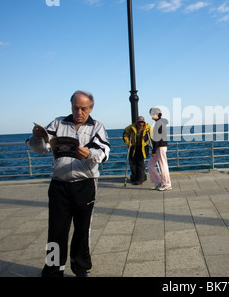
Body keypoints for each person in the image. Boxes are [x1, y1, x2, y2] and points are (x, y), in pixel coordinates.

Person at [26, 90, 110, 277]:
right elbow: (41, 149)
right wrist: (37, 137)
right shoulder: (58, 123)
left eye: (83, 109)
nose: (79, 112)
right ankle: (54, 269)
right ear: (71, 105)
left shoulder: (97, 126)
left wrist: (88, 153)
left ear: (91, 108)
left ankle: (80, 268)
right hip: (59, 184)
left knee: (82, 228)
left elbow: (104, 152)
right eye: (75, 108)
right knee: (56, 229)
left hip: (85, 183)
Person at [123, 116, 153, 185]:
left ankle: (140, 178)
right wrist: (128, 143)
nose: (140, 124)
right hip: (133, 147)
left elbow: (152, 135)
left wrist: (154, 145)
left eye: (142, 122)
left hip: (143, 148)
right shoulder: (131, 127)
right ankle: (135, 177)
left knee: (140, 163)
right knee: (132, 163)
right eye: (139, 122)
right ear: (137, 122)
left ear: (144, 122)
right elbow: (125, 134)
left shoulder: (148, 127)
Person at [147, 108, 172, 191]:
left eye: (152, 114)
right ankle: (158, 182)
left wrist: (153, 151)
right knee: (150, 165)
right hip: (159, 146)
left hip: (160, 147)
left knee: (163, 165)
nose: (151, 116)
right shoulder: (159, 123)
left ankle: (167, 184)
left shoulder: (159, 124)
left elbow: (157, 138)